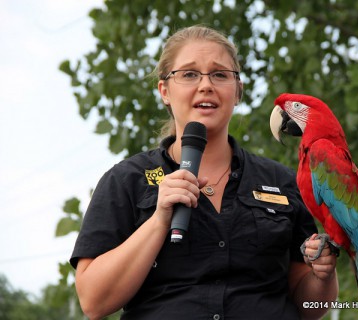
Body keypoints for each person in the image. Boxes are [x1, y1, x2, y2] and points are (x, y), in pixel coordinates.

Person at [70, 25, 338, 320]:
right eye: (189, 74)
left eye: (220, 74)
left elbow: (308, 306)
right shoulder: (126, 180)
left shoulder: (282, 181)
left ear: (237, 92)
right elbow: (93, 302)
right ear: (165, 91)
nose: (206, 85)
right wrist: (159, 220)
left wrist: (322, 276)